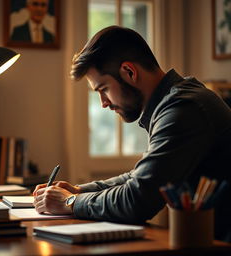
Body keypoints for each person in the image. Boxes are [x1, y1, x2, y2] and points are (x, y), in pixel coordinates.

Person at [33, 26, 231, 242]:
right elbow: (140, 177)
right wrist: (78, 191)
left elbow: (137, 199)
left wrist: (69, 202)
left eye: (103, 89)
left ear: (129, 72)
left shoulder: (184, 108)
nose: (103, 103)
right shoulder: (176, 101)